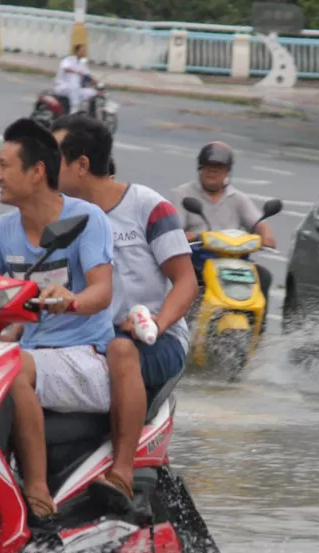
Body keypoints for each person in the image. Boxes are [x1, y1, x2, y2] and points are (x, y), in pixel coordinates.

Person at [0, 118, 115, 519]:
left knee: (9, 368)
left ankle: (36, 489)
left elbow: (102, 291)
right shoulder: (0, 230)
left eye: (4, 166)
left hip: (85, 357)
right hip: (32, 353)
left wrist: (71, 301)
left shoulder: (86, 219)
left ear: (37, 172)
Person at [51, 115, 196, 504]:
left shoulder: (148, 207)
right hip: (86, 335)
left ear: (81, 165)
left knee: (121, 350)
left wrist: (156, 324)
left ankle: (122, 471)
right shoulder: (61, 217)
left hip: (151, 339)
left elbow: (186, 282)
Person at [172, 142, 277, 313]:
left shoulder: (238, 198)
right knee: (190, 282)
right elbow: (174, 229)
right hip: (198, 260)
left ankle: (258, 333)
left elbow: (259, 223)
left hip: (234, 261)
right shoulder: (183, 194)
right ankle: (186, 324)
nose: (212, 171)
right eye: (208, 167)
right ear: (200, 168)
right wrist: (186, 237)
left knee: (263, 276)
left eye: (218, 167)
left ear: (227, 171)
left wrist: (266, 236)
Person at [54, 44, 95, 117]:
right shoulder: (68, 60)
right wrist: (77, 72)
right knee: (74, 82)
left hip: (75, 89)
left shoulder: (82, 63)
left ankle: (88, 114)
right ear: (76, 51)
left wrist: (97, 82)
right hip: (62, 87)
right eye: (82, 51)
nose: (84, 52)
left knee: (91, 92)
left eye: (84, 51)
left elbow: (88, 75)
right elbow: (66, 68)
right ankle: (73, 112)